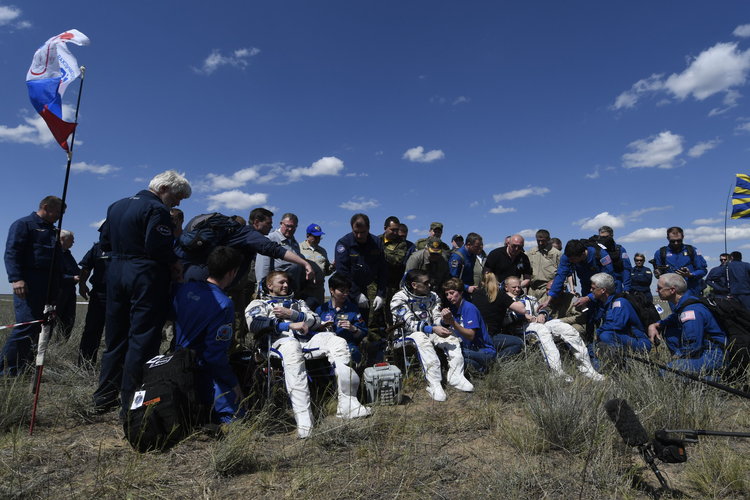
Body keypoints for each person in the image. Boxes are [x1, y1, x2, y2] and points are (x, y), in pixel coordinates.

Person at [93, 170, 192, 415]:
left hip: (115, 273)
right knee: (143, 339)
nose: (178, 202)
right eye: (178, 196)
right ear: (164, 189)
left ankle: (103, 397)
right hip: (145, 275)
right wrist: (174, 263)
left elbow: (104, 242)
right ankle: (132, 404)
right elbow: (157, 246)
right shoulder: (157, 210)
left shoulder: (116, 206)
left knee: (115, 338)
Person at [246, 271, 371, 438]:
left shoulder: (298, 303)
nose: (286, 285)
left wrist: (292, 314)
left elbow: (316, 320)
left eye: (287, 282)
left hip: (304, 341)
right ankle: (305, 422)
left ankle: (348, 404)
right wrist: (287, 326)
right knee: (291, 347)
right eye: (281, 282)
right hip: (277, 342)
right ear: (270, 286)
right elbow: (254, 324)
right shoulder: (259, 303)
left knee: (336, 341)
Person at [173, 246, 245, 424]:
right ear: (232, 273)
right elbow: (214, 355)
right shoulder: (224, 304)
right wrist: (233, 383)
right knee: (237, 415)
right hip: (200, 369)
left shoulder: (185, 288)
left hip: (176, 362)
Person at [1, 195, 64, 375]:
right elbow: (12, 253)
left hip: (50, 285)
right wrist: (16, 279)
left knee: (42, 327)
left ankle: (26, 367)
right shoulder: (24, 225)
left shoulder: (53, 231)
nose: (59, 216)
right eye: (58, 211)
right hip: (30, 283)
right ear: (45, 206)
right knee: (27, 325)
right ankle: (6, 370)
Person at [390, 269, 473, 401]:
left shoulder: (433, 296)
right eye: (426, 283)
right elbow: (408, 324)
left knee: (451, 337)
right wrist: (433, 329)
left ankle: (456, 376)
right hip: (405, 336)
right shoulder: (399, 298)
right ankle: (434, 383)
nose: (430, 285)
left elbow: (436, 318)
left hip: (429, 331)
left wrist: (444, 320)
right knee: (420, 337)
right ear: (414, 285)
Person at [503, 277, 603, 380]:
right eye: (513, 287)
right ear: (506, 288)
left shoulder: (529, 298)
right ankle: (556, 371)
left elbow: (542, 309)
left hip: (538, 324)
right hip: (521, 328)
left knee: (565, 328)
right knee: (541, 331)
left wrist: (542, 315)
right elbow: (503, 320)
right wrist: (523, 317)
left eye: (519, 287)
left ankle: (587, 368)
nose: (517, 289)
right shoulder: (502, 300)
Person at [647, 273, 726, 375]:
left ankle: (717, 378)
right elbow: (672, 319)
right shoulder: (685, 304)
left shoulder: (690, 311)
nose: (657, 290)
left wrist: (676, 358)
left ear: (672, 290)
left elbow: (692, 346)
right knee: (669, 328)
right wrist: (655, 325)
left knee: (664, 372)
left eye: (659, 288)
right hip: (703, 351)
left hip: (713, 355)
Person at [334, 213, 387, 326]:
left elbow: (383, 270)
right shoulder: (344, 243)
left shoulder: (376, 243)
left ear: (368, 228)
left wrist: (381, 294)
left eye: (362, 232)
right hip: (347, 291)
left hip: (366, 288)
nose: (358, 236)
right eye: (355, 232)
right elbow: (342, 272)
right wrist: (356, 293)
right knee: (345, 323)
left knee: (363, 324)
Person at [441, 278, 497, 373]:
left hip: (483, 350)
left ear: (461, 292)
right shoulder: (454, 309)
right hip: (469, 349)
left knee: (457, 353)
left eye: (452, 293)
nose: (449, 297)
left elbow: (471, 335)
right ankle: (481, 369)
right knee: (451, 354)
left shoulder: (469, 308)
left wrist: (453, 323)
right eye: (447, 294)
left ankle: (485, 367)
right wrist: (444, 319)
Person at [590, 273, 651, 359]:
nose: (590, 290)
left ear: (603, 290)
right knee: (590, 348)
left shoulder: (620, 302)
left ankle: (622, 360)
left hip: (639, 342)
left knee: (605, 335)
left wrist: (599, 332)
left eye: (593, 288)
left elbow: (616, 325)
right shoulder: (605, 304)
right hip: (621, 339)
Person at [544, 239, 617, 309]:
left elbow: (609, 280)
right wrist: (550, 297)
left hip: (604, 290)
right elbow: (560, 276)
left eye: (573, 259)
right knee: (588, 312)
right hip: (586, 286)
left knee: (607, 311)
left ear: (582, 254)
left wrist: (589, 297)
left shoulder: (601, 255)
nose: (571, 261)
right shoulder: (568, 257)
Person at [315, 273, 369, 365]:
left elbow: (363, 332)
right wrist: (320, 328)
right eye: (342, 291)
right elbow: (312, 330)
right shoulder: (321, 309)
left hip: (347, 344)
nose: (345, 294)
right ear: (332, 290)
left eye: (347, 291)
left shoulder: (352, 309)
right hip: (325, 345)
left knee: (353, 352)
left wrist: (353, 329)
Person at [471, 272, 526, 359]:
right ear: (497, 282)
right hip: (491, 335)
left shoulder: (475, 294)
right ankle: (496, 361)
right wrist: (512, 296)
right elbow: (522, 309)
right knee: (518, 342)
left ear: (481, 282)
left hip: (476, 334)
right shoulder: (500, 295)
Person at [77, 241, 109, 365]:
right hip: (100, 294)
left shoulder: (129, 242)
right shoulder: (98, 247)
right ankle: (85, 364)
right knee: (92, 330)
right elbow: (86, 266)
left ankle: (115, 367)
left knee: (117, 332)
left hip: (122, 295)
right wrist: (82, 284)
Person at [255, 213, 304, 291]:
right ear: (281, 224)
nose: (290, 229)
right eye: (288, 226)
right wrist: (262, 287)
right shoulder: (270, 239)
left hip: (292, 288)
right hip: (276, 289)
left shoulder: (295, 243)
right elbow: (263, 267)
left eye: (293, 227)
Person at [652, 226, 707, 296]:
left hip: (692, 290)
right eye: (672, 241)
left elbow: (703, 270)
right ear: (667, 238)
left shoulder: (692, 250)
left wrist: (691, 275)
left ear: (683, 237)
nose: (676, 243)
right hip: (672, 293)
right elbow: (658, 274)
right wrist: (657, 273)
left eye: (679, 240)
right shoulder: (661, 253)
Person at [379, 216, 410, 327]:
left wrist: (380, 253)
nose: (395, 232)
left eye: (397, 230)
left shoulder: (401, 243)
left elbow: (397, 260)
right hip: (376, 283)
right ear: (385, 228)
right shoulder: (376, 240)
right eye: (392, 229)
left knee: (391, 313)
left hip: (392, 284)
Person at [298, 223, 333, 309]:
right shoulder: (298, 248)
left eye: (319, 237)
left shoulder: (322, 251)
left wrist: (333, 267)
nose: (317, 239)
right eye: (315, 236)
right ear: (307, 235)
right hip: (304, 289)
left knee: (319, 313)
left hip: (319, 290)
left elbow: (326, 271)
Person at [56, 230, 80, 341]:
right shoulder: (54, 253)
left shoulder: (68, 254)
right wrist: (71, 278)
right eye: (71, 240)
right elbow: (52, 274)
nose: (74, 242)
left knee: (68, 320)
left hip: (70, 291)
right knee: (53, 320)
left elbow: (75, 270)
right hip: (57, 292)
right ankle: (46, 347)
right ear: (62, 239)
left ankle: (62, 345)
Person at [526, 229, 561, 300]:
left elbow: (562, 272)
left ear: (549, 240)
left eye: (543, 241)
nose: (540, 243)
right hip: (532, 289)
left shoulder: (556, 254)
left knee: (545, 310)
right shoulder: (531, 253)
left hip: (547, 289)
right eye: (538, 241)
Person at [597, 226, 632, 293]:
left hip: (617, 284)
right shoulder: (599, 251)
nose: (603, 239)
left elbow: (626, 268)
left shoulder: (620, 249)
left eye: (606, 237)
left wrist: (626, 287)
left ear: (611, 236)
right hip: (603, 284)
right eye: (601, 237)